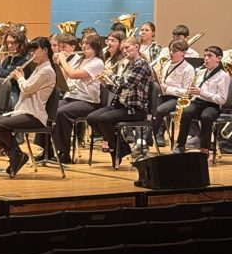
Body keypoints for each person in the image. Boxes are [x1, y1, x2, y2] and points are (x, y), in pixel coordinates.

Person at [0, 36, 57, 176]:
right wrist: (22, 76)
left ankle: (16, 154)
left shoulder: (47, 70)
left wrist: (19, 77)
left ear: (45, 50)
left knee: (0, 126)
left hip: (34, 115)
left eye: (35, 50)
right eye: (30, 51)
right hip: (24, 111)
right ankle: (15, 154)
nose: (32, 53)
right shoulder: (39, 68)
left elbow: (27, 88)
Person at [87, 38, 151, 167]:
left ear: (137, 47)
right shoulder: (127, 65)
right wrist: (104, 82)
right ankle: (119, 144)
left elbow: (127, 83)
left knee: (104, 119)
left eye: (127, 48)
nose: (125, 51)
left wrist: (110, 75)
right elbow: (118, 89)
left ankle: (114, 147)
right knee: (92, 118)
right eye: (123, 49)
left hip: (135, 109)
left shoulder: (141, 64)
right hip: (120, 105)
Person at [51, 33, 105, 164]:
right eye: (84, 43)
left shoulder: (97, 62)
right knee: (48, 109)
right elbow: (66, 78)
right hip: (72, 97)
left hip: (88, 101)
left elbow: (74, 75)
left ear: (96, 46)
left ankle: (64, 152)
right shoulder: (78, 59)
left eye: (88, 43)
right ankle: (46, 150)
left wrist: (63, 60)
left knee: (62, 113)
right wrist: (58, 63)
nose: (85, 45)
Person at [172, 45, 231, 156]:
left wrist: (201, 92)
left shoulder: (223, 76)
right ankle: (180, 145)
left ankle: (204, 149)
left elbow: (222, 99)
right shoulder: (200, 71)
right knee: (186, 112)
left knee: (206, 117)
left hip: (213, 105)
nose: (206, 58)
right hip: (198, 101)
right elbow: (197, 90)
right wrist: (191, 93)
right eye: (204, 56)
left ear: (218, 59)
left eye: (209, 56)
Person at [152, 39, 195, 147]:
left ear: (183, 52)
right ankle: (144, 138)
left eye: (174, 51)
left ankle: (150, 137)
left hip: (177, 99)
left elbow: (187, 91)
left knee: (160, 110)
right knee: (148, 109)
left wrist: (167, 88)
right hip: (164, 95)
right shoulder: (166, 63)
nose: (171, 53)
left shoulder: (188, 68)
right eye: (170, 50)